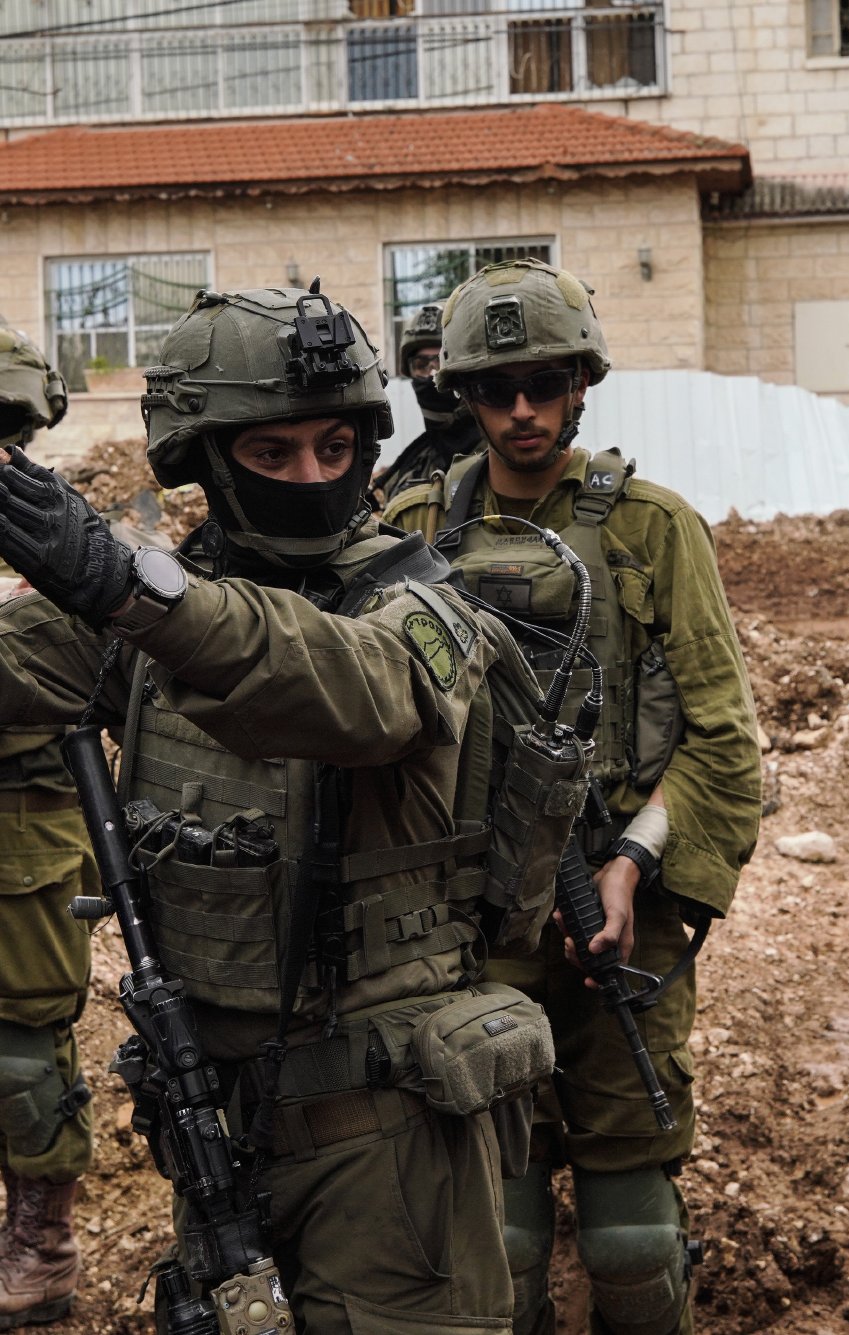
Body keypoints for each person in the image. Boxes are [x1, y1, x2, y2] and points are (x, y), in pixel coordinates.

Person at [0, 283, 557, 1333]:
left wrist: (128, 588)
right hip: (215, 1113)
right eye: (273, 455)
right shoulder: (161, 605)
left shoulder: (428, 598)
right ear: (205, 462)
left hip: (391, 1137)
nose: (312, 477)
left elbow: (352, 690)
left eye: (334, 446)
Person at [385, 258, 762, 1335]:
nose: (520, 413)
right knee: (493, 1232)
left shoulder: (651, 527)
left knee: (630, 1231)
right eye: (494, 390)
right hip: (466, 922)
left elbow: (724, 741)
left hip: (614, 914)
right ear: (460, 397)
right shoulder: (410, 530)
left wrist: (632, 863)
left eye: (543, 385)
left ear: (582, 384)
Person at [0, 324, 98, 1330]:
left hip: (23, 837)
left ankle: (42, 1245)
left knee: (25, 1058)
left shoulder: (60, 541)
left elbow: (55, 667)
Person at [374, 302, 482, 505]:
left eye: (442, 361)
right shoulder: (406, 472)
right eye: (421, 365)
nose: (432, 374)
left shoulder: (505, 457)